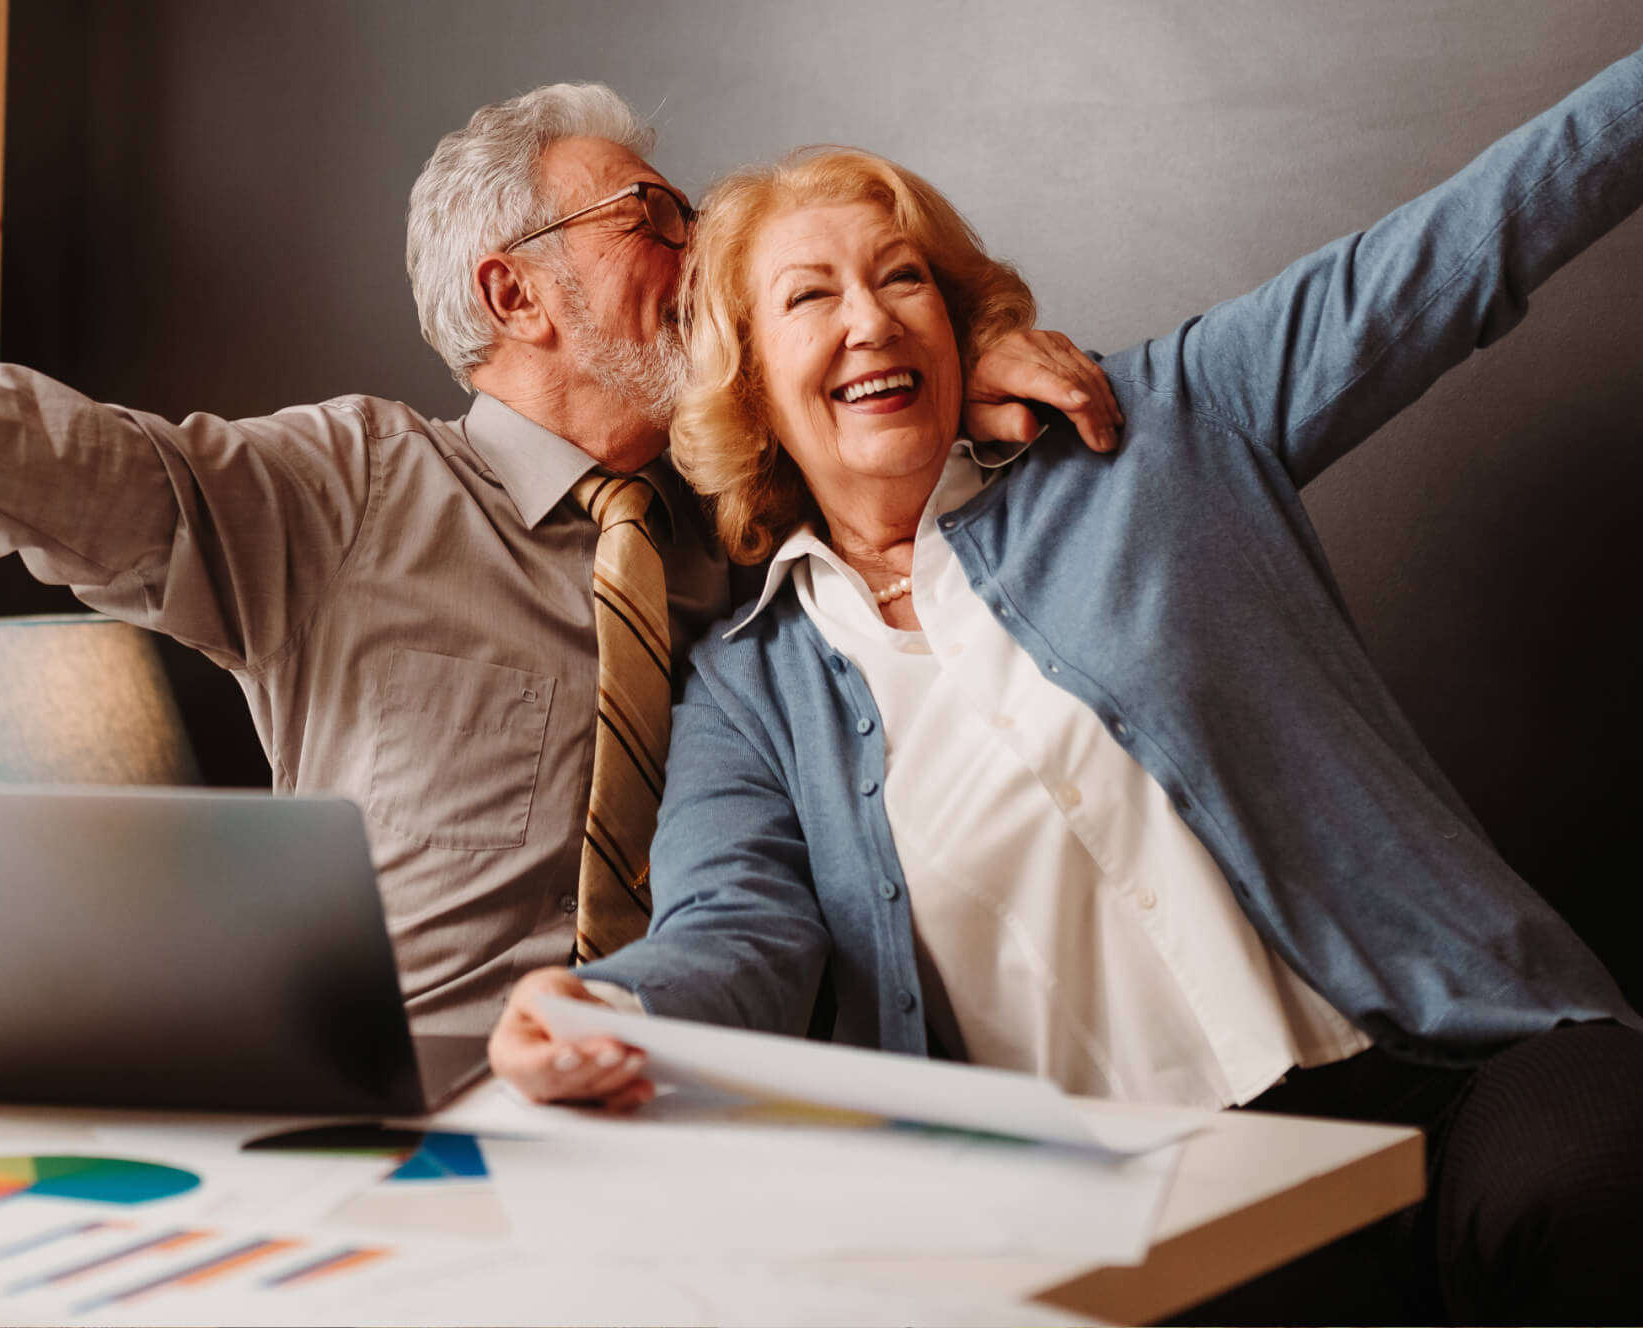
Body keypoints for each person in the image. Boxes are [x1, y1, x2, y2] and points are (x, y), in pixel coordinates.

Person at [0, 85, 1117, 1034]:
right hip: (424, 1104)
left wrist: (992, 355)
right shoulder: (347, 487)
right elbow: (26, 450)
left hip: (727, 1096)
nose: (704, 253)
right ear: (517, 289)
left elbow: (893, 408)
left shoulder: (753, 524)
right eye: (657, 220)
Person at [488, 46, 1643, 1324]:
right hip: (1143, 1195)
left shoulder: (1164, 424)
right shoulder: (749, 688)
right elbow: (736, 930)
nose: (870, 318)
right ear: (749, 379)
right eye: (810, 297)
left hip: (1448, 1064)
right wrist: (612, 1004)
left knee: (1602, 1180)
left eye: (903, 278)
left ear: (958, 320)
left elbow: (1470, 245)